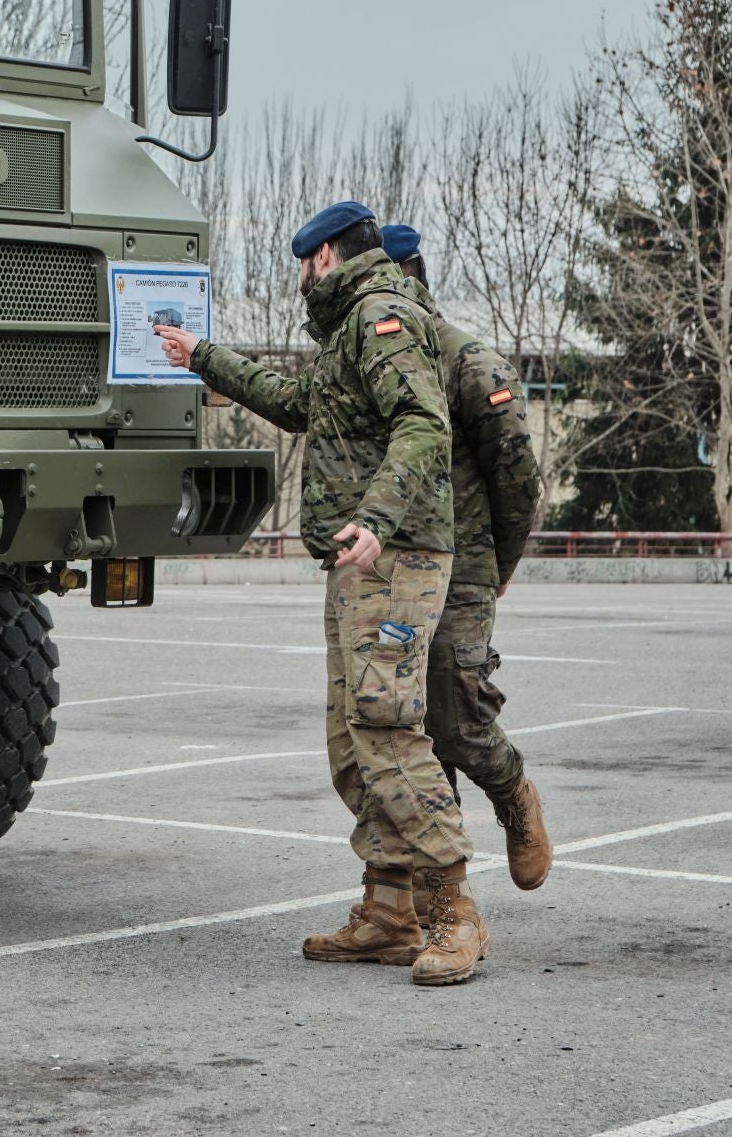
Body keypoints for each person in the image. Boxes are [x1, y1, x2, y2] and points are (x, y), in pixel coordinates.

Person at [156, 201, 487, 986]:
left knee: (388, 729)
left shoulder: (383, 319)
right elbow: (303, 408)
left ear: (325, 258)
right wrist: (202, 355)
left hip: (395, 556)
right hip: (357, 561)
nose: (301, 277)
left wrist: (375, 518)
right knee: (353, 743)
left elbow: (423, 426)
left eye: (304, 264)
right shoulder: (348, 332)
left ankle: (455, 915)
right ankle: (387, 914)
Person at [381, 224, 552, 895]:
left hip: (461, 565)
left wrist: (498, 566)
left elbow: (518, 480)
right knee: (402, 725)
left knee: (456, 717)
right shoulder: (371, 362)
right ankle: (431, 897)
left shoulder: (470, 365)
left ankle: (515, 796)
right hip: (389, 573)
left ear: (409, 279)